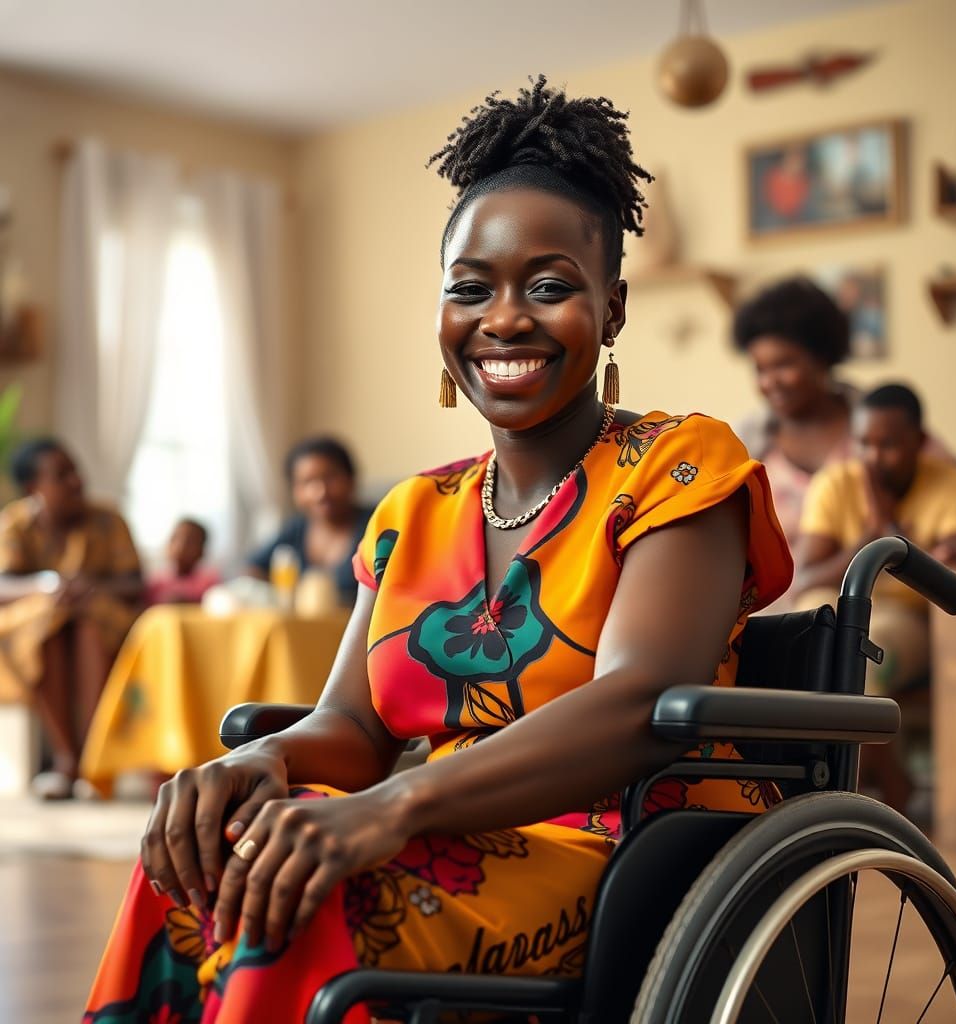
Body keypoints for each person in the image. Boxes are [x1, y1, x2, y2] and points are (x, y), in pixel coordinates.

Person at [84, 77, 792, 1023]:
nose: (504, 319)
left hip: (624, 851)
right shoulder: (413, 511)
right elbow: (359, 729)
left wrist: (391, 810)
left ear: (612, 309)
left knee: (302, 896)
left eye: (549, 286)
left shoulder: (678, 466)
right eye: (471, 288)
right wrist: (270, 765)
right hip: (437, 826)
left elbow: (635, 705)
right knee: (194, 869)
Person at [793, 383, 956, 811]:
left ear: (920, 442)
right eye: (864, 443)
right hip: (839, 603)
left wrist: (896, 534)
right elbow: (805, 576)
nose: (873, 457)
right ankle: (888, 783)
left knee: (862, 653)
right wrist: (869, 536)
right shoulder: (834, 484)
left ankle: (836, 801)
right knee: (815, 631)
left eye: (889, 445)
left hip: (913, 617)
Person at [732, 277, 956, 550]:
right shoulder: (746, 440)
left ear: (822, 358)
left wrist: (948, 558)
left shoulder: (880, 424)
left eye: (784, 365)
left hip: (875, 591)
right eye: (760, 369)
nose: (770, 382)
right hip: (778, 594)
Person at [0, 438, 142, 799]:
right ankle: (70, 760)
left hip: (101, 621)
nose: (76, 481)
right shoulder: (14, 524)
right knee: (49, 628)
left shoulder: (108, 519)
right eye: (61, 475)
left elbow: (135, 582)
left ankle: (89, 762)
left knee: (86, 626)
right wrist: (47, 587)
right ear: (33, 487)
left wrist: (91, 586)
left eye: (75, 471)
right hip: (41, 625)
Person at [247, 436, 372, 606]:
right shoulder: (296, 528)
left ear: (351, 478)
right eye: (307, 482)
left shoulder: (376, 526)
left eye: (330, 478)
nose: (320, 492)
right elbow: (253, 569)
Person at [146, 518, 220, 605]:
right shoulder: (156, 583)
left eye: (190, 542)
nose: (180, 546)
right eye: (175, 538)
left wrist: (186, 603)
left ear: (202, 551)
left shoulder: (210, 584)